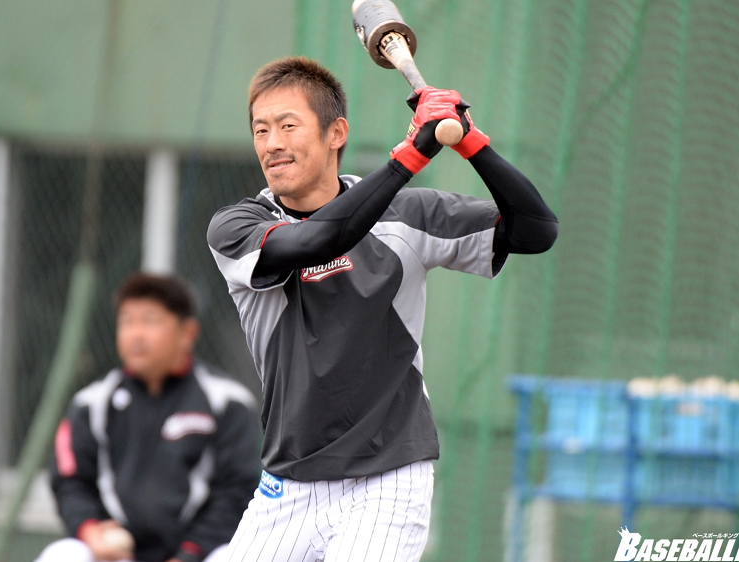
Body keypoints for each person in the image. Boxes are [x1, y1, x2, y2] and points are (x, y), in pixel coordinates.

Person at [206, 56, 558, 561]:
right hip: (289, 481)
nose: (272, 144)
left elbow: (536, 229)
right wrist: (411, 154)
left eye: (288, 126)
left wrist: (470, 141)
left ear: (336, 133)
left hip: (389, 476)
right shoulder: (238, 226)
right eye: (261, 130)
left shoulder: (408, 216)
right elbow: (322, 238)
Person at [36, 273, 261, 562]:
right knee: (64, 554)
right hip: (116, 556)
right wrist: (91, 531)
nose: (136, 334)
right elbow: (70, 481)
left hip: (197, 554)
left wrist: (188, 555)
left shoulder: (228, 401)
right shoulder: (91, 404)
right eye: (127, 321)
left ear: (188, 332)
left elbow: (237, 490)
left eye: (150, 321)